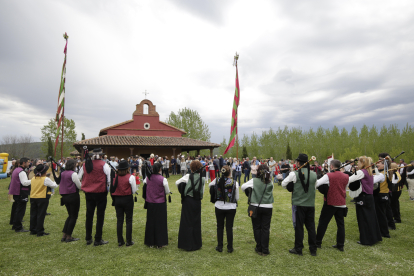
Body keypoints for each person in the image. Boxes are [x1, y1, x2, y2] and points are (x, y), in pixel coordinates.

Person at [282, 153, 318, 256]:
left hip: (298, 204)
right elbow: (315, 187)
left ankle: (298, 249)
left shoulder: (295, 174)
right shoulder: (314, 174)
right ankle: (313, 249)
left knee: (299, 227)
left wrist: (292, 184)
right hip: (310, 204)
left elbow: (284, 184)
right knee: (311, 227)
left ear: (298, 163)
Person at [347, 156, 384, 245]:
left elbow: (348, 180)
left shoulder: (361, 172)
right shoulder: (369, 171)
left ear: (362, 163)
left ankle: (367, 240)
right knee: (370, 217)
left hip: (363, 197)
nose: (357, 164)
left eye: (359, 162)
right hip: (369, 197)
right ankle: (373, 237)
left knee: (363, 218)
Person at [78, 148, 111, 246]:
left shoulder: (85, 165)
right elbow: (109, 179)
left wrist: (85, 184)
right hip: (100, 192)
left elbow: (79, 177)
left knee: (89, 215)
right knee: (100, 215)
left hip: (88, 193)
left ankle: (88, 238)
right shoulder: (104, 165)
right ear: (101, 156)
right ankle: (98, 238)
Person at [315, 159, 349, 251]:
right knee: (340, 224)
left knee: (323, 223)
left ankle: (317, 242)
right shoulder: (346, 176)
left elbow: (317, 183)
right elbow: (344, 188)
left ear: (331, 166)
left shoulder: (329, 175)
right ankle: (340, 245)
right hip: (341, 202)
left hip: (330, 202)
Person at [242, 164, 274, 256]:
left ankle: (259, 247)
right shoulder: (270, 182)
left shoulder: (254, 181)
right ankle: (265, 249)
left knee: (256, 227)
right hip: (267, 206)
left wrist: (250, 192)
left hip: (255, 206)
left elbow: (243, 186)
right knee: (265, 228)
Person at [176, 160, 205, 251]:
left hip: (188, 200)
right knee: (196, 222)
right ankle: (196, 244)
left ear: (191, 168)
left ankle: (186, 244)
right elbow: (202, 191)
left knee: (186, 221)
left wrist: (183, 190)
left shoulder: (188, 176)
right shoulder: (202, 178)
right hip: (197, 201)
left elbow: (177, 182)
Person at [209, 165, 239, 253]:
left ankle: (220, 246)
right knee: (229, 227)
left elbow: (210, 185)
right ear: (230, 173)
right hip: (231, 207)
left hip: (219, 206)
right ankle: (230, 247)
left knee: (220, 226)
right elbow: (236, 197)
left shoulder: (216, 180)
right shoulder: (234, 182)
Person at [52, 159, 81, 242]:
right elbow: (79, 186)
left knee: (70, 215)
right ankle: (68, 236)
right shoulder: (73, 174)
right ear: (73, 165)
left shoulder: (63, 173)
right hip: (73, 196)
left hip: (65, 197)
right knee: (74, 216)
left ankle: (64, 235)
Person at [143, 162, 170, 248]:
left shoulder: (148, 178)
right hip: (160, 203)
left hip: (150, 202)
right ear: (160, 169)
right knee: (160, 223)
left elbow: (145, 185)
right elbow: (167, 191)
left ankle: (150, 242)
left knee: (150, 222)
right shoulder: (163, 179)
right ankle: (159, 242)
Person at [110, 160, 137, 247]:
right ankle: (128, 241)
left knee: (119, 220)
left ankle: (120, 241)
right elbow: (134, 190)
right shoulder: (131, 177)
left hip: (117, 199)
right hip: (127, 199)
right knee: (129, 220)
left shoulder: (115, 177)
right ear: (127, 168)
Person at [29, 164, 58, 236]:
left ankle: (33, 229)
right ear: (44, 172)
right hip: (42, 198)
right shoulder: (45, 179)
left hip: (33, 197)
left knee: (33, 214)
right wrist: (56, 180)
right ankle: (40, 231)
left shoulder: (33, 178)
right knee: (40, 214)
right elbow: (54, 185)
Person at [8, 157, 31, 232]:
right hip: (21, 192)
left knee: (17, 209)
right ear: (24, 163)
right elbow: (24, 182)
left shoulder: (16, 170)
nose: (29, 163)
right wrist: (34, 180)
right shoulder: (21, 172)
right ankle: (18, 227)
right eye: (28, 162)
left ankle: (15, 225)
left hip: (16, 192)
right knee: (20, 210)